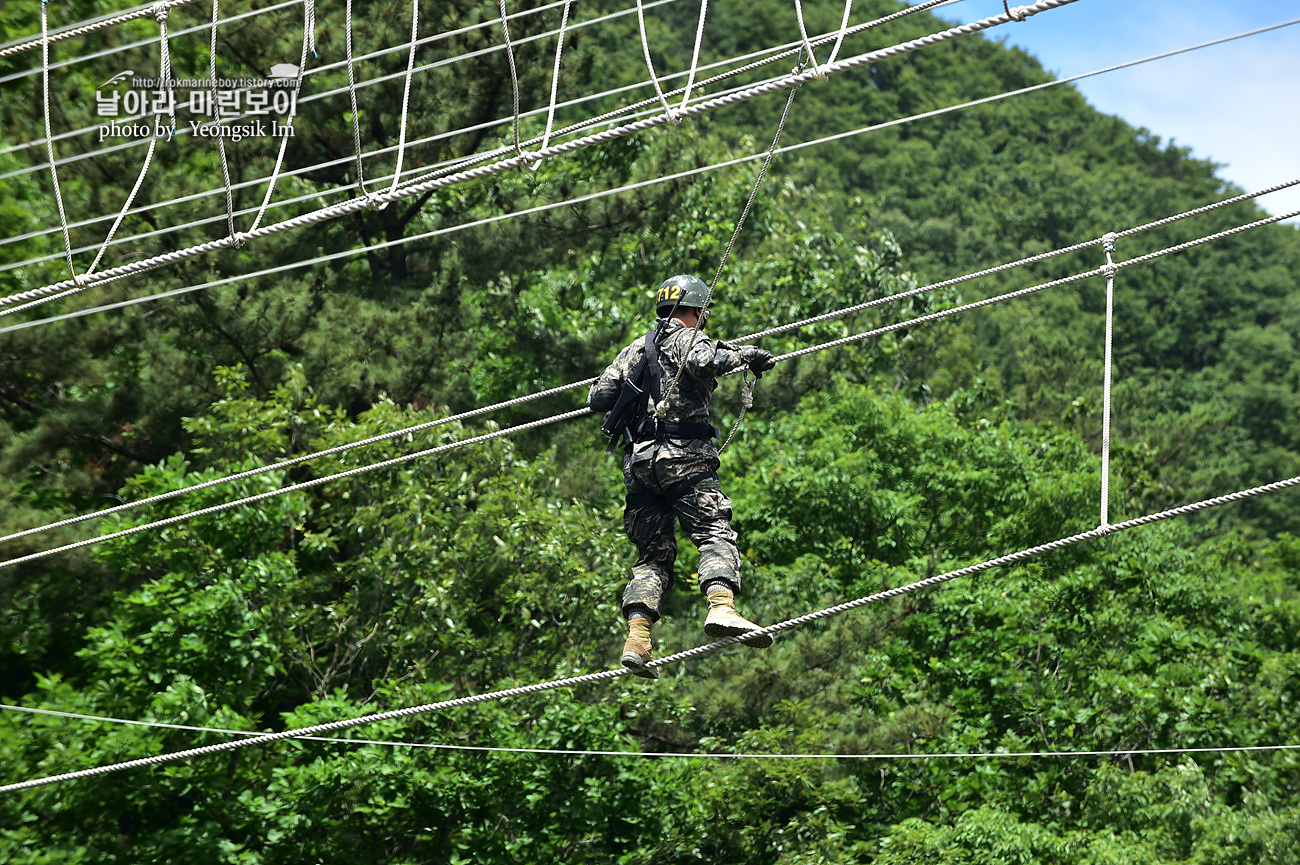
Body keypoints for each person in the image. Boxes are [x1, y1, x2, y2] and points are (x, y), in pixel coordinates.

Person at [587, 274, 778, 679]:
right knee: (713, 531)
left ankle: (637, 640)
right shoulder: (689, 338)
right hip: (683, 461)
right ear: (696, 310)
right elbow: (707, 360)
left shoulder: (634, 350)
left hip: (639, 469)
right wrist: (749, 356)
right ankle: (722, 606)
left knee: (653, 556)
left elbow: (598, 397)